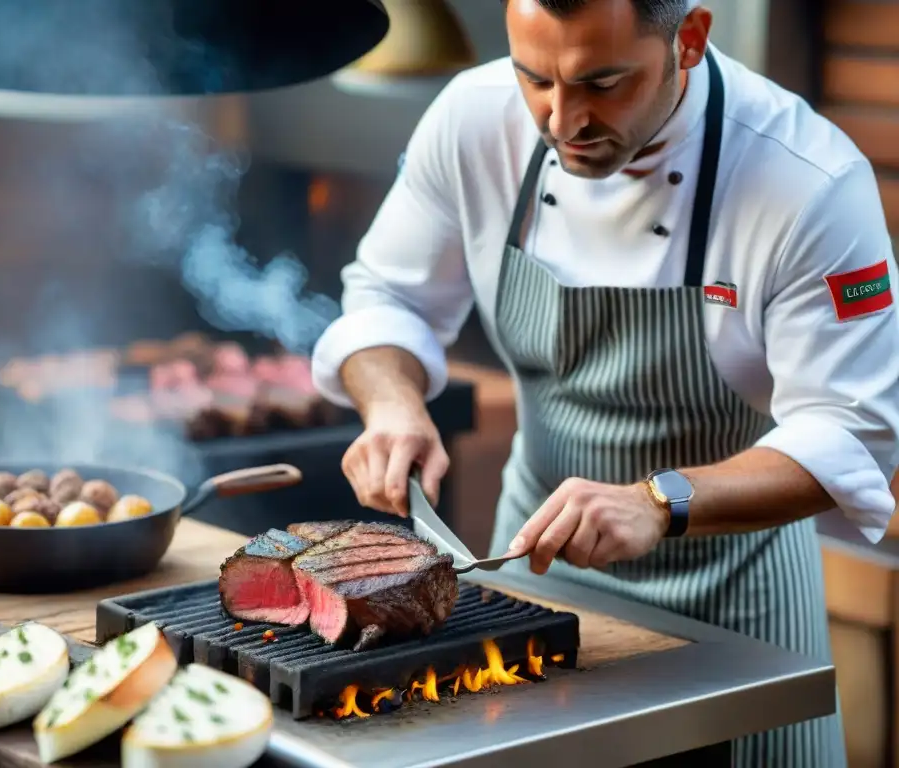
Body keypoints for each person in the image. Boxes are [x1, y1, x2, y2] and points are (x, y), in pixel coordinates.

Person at [310, 0, 899, 764]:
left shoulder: (807, 181)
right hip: (535, 578)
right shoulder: (473, 119)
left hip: (739, 603)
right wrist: (391, 404)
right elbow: (388, 296)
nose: (562, 120)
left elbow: (852, 431)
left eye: (603, 82)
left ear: (688, 41)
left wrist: (657, 502)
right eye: (536, 78)